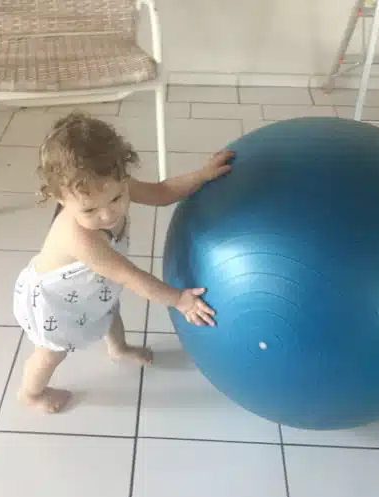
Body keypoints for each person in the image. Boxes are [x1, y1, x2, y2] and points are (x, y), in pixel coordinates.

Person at [13, 111, 233, 413]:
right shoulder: (81, 238)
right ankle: (31, 393)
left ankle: (118, 348)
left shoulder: (113, 183)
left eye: (116, 199)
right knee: (51, 354)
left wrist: (203, 175)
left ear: (120, 175)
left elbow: (162, 191)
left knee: (109, 311)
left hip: (92, 289)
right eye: (90, 210)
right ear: (59, 197)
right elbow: (130, 277)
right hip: (56, 303)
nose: (108, 215)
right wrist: (179, 300)